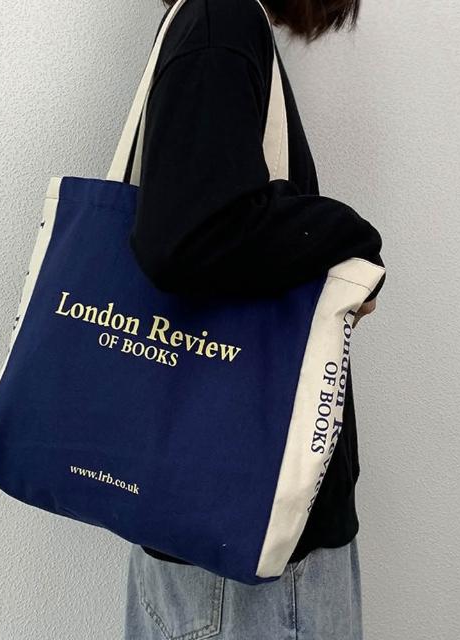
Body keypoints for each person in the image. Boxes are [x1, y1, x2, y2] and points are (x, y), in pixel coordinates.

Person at [123, 0, 385, 638]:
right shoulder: (221, 20)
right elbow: (185, 237)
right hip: (251, 556)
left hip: (220, 530)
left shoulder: (216, 19)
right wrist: (349, 236)